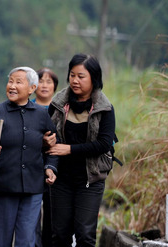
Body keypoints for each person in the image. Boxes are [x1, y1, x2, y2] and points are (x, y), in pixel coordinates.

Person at [0, 66, 58, 247]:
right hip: (2, 187)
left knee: (26, 241)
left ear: (31, 89)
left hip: (32, 188)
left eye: (19, 82)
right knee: (1, 241)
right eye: (10, 81)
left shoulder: (42, 115)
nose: (12, 85)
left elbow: (53, 145)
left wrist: (50, 167)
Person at [47, 54, 116, 247]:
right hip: (61, 178)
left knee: (85, 235)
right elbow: (45, 132)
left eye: (81, 76)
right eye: (72, 75)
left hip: (90, 179)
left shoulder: (105, 108)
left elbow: (104, 144)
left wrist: (69, 149)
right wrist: (46, 140)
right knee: (59, 235)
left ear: (93, 78)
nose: (75, 80)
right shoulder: (58, 104)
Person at [32, 68, 59, 247]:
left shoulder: (61, 110)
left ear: (55, 87)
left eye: (49, 82)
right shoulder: (27, 107)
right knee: (31, 216)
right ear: (33, 85)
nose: (44, 85)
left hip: (56, 168)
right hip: (32, 166)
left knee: (53, 215)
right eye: (41, 81)